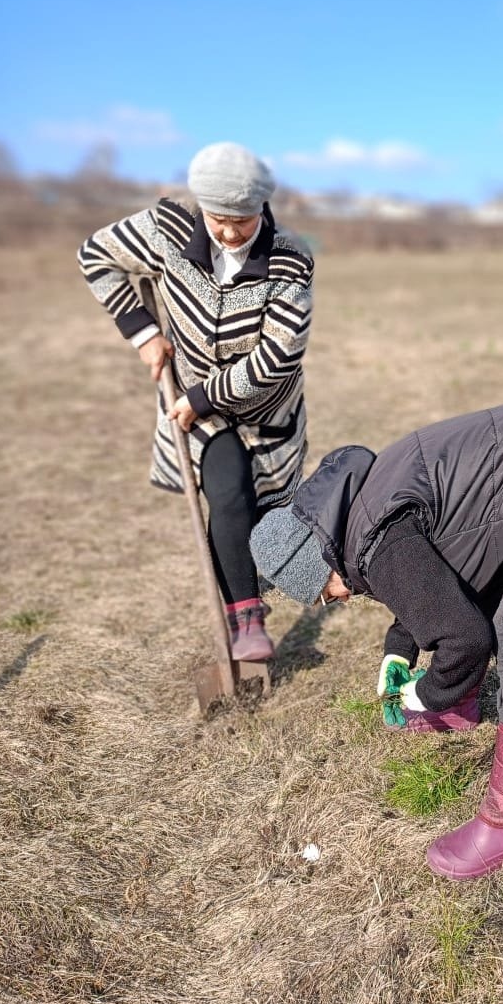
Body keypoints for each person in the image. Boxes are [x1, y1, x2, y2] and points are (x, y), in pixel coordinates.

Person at [249, 399, 503, 880]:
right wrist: (399, 652)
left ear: (319, 561)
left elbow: (465, 638)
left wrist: (427, 694)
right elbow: (434, 576)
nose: (338, 599)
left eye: (325, 595)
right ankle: (462, 707)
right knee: (484, 584)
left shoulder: (373, 542)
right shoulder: (358, 507)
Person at [78, 142, 314, 661]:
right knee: (227, 492)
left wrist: (204, 397)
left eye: (243, 220)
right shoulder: (167, 227)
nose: (230, 232)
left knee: (262, 510)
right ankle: (247, 619)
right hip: (197, 405)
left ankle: (264, 577)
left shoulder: (290, 260)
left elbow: (278, 357)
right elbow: (95, 255)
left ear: (262, 210)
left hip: (266, 412)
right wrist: (142, 332)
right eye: (219, 218)